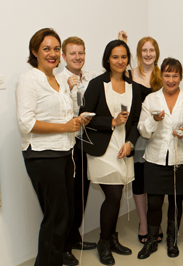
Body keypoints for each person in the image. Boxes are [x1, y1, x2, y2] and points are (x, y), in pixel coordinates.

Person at [15, 28, 88, 266]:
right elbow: (26, 123)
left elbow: (65, 117)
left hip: (64, 154)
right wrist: (65, 127)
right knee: (56, 218)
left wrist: (77, 121)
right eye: (46, 48)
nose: (53, 53)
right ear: (35, 51)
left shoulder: (59, 81)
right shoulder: (29, 79)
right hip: (42, 156)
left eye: (56, 49)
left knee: (64, 217)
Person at [79, 39, 145, 265]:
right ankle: (103, 243)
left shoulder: (134, 87)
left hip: (123, 148)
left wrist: (131, 143)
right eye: (115, 57)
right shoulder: (98, 84)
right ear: (108, 59)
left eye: (124, 57)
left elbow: (136, 120)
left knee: (115, 199)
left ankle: (111, 237)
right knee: (114, 196)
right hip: (102, 150)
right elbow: (84, 117)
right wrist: (112, 121)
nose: (120, 61)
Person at [137, 58, 183, 260]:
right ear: (160, 76)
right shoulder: (151, 99)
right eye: (167, 75)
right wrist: (154, 120)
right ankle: (152, 240)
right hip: (155, 158)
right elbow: (143, 131)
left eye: (175, 75)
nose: (171, 80)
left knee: (176, 203)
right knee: (153, 203)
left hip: (181, 159)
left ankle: (172, 240)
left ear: (181, 77)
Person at [56, 36, 99, 265]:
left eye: (80, 53)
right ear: (64, 56)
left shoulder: (90, 77)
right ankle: (63, 247)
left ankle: (74, 237)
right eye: (72, 53)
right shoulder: (59, 80)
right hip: (68, 145)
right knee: (68, 199)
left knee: (82, 193)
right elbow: (68, 111)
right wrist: (72, 90)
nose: (77, 57)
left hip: (85, 143)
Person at [118, 31, 162, 244]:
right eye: (144, 50)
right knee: (140, 182)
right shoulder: (129, 75)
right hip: (137, 136)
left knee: (156, 183)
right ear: (138, 53)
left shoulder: (163, 75)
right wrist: (121, 43)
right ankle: (143, 223)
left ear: (157, 53)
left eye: (151, 50)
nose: (147, 53)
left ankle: (156, 222)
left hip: (159, 136)